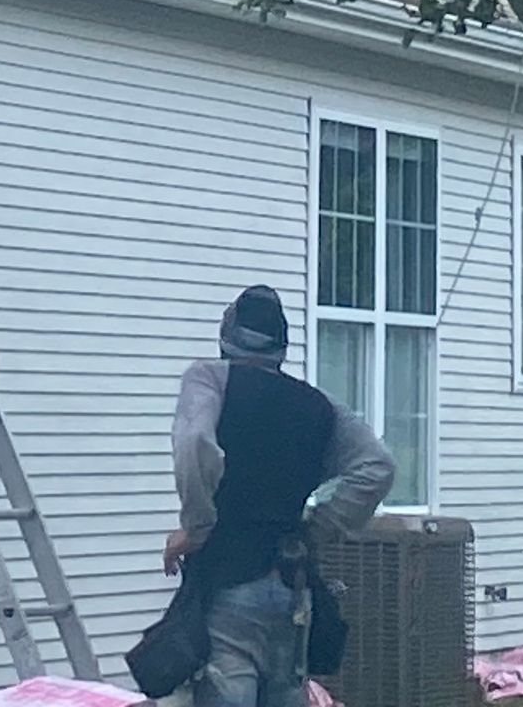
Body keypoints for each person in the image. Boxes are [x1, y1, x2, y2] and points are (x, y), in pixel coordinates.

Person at [162, 285, 394, 707]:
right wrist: (313, 532)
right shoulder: (317, 405)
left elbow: (194, 439)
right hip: (293, 591)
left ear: (227, 336)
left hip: (227, 584)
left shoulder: (211, 378)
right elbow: (377, 467)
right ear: (281, 348)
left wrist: (197, 526)